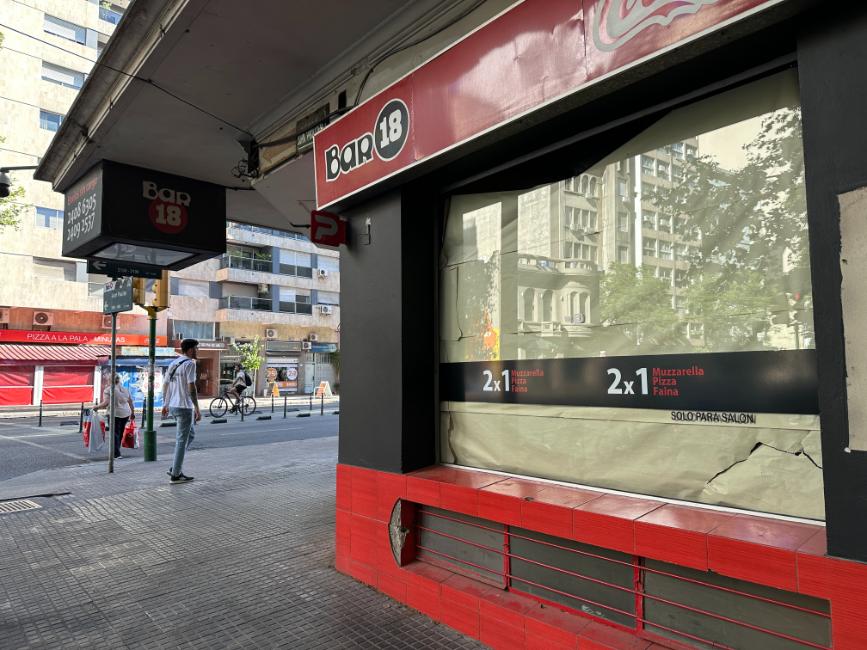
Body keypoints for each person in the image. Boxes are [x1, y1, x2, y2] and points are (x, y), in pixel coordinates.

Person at [161, 338, 200, 484]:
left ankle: (175, 467)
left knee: (190, 435)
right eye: (196, 348)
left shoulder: (173, 364)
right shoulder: (190, 364)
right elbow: (192, 387)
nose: (197, 351)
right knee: (181, 441)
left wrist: (165, 404)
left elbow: (165, 385)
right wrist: (197, 408)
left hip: (173, 405)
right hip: (184, 406)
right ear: (190, 349)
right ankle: (175, 474)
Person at [94, 373, 135, 459]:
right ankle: (116, 451)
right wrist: (132, 413)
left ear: (109, 380)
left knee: (114, 434)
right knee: (119, 433)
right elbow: (130, 401)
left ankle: (116, 454)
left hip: (114, 414)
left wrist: (96, 407)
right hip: (125, 413)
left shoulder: (108, 390)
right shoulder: (125, 389)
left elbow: (106, 403)